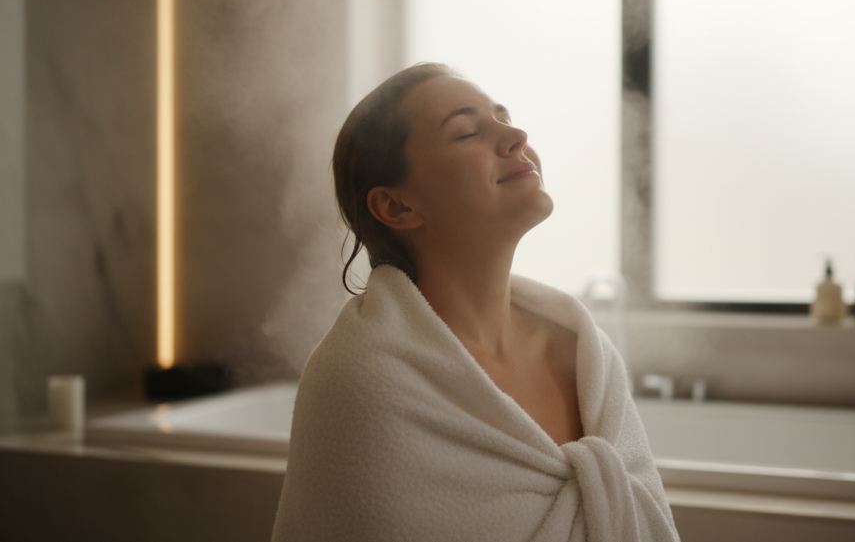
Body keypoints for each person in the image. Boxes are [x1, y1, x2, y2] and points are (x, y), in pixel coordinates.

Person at [272, 63, 679, 541]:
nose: (516, 135)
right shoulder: (361, 380)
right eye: (467, 132)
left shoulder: (587, 355)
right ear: (397, 206)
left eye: (505, 117)